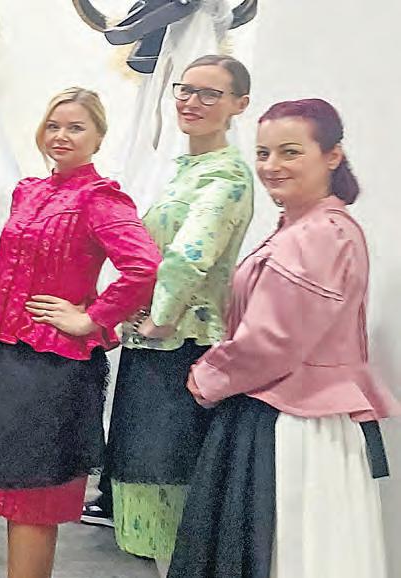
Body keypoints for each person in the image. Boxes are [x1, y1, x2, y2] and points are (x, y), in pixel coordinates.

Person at [169, 98, 397, 578]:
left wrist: (207, 376)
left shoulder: (317, 235)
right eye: (263, 153)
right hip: (290, 415)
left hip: (297, 424)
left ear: (332, 156)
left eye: (290, 152)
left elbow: (272, 342)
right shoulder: (309, 228)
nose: (272, 166)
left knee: (291, 552)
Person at [0, 88, 160, 578]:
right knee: (14, 494)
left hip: (51, 366)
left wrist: (92, 318)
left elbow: (144, 266)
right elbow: (23, 257)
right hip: (6, 360)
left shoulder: (99, 197)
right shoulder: (28, 190)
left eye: (75, 127)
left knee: (35, 498)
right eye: (53, 125)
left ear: (98, 136)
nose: (61, 136)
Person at [103, 55, 255, 574]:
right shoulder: (183, 170)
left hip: (182, 346)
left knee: (167, 480)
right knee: (143, 477)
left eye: (210, 94)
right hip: (153, 345)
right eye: (185, 90)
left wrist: (159, 318)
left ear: (239, 105)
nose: (192, 102)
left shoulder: (228, 175)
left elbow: (191, 254)